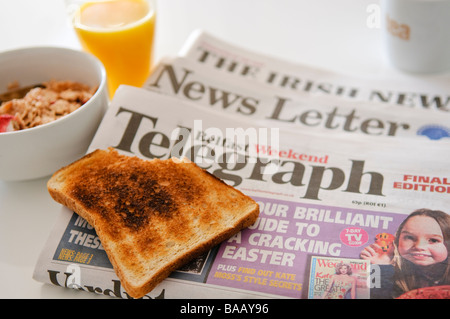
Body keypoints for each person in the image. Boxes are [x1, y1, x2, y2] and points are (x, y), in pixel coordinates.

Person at [360, 208, 450, 298]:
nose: (419, 246)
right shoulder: (389, 271)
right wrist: (381, 267)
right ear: (397, 240)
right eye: (409, 237)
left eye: (433, 240)